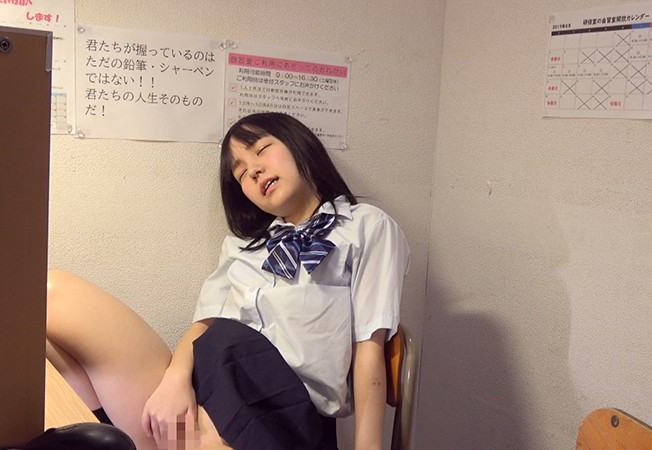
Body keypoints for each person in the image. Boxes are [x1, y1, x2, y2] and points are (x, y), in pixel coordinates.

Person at [46, 112, 411, 450]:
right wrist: (174, 382)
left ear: (300, 145)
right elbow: (203, 325)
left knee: (230, 343)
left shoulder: (365, 226)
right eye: (241, 173)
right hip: (207, 386)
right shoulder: (242, 247)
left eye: (262, 150)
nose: (254, 170)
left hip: (285, 421)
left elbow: (369, 346)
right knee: (50, 297)